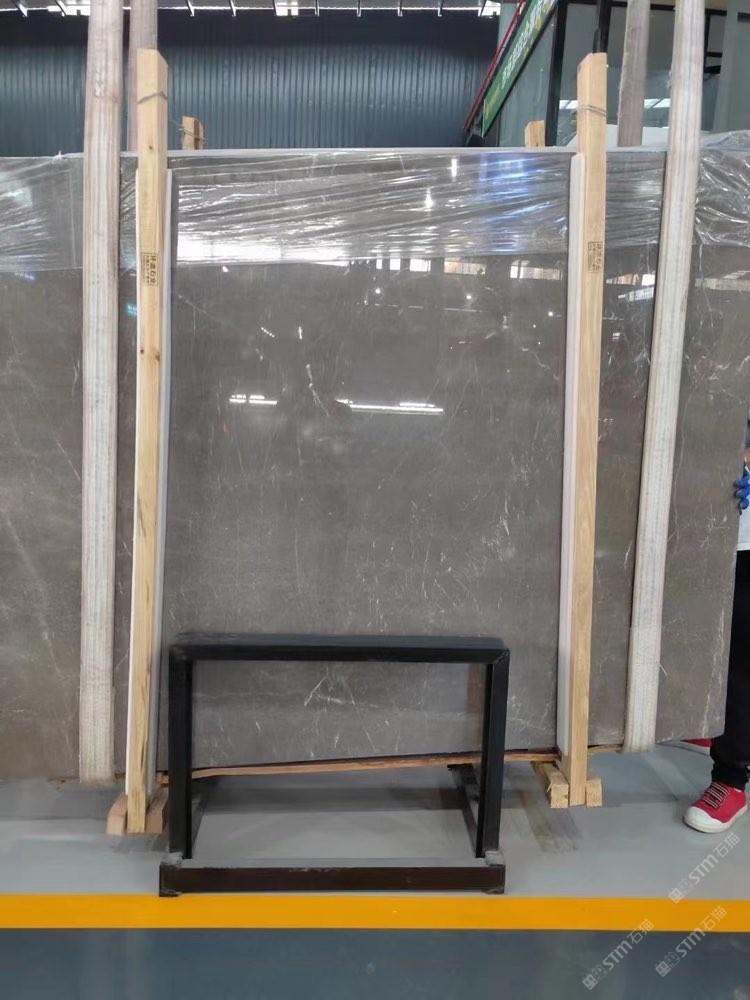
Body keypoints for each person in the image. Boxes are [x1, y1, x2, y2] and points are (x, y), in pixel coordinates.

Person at [683, 416, 750, 833]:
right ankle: (711, 725)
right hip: (710, 529)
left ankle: (731, 778)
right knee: (702, 642)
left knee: (740, 659)